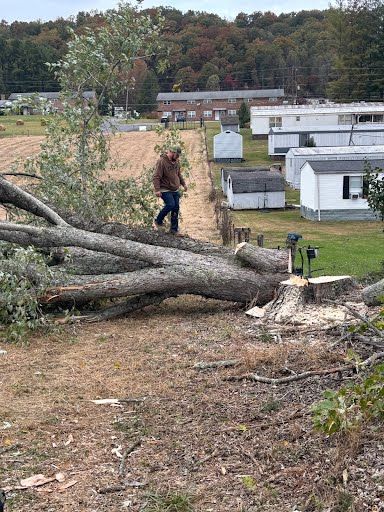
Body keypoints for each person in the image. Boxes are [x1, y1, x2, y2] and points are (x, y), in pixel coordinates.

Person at [153, 145, 187, 234]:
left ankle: (174, 230)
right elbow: (156, 176)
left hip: (175, 189)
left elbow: (178, 174)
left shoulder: (176, 162)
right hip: (165, 189)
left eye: (179, 156)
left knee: (176, 208)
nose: (177, 157)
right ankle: (158, 220)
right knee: (171, 204)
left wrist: (183, 184)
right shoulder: (162, 161)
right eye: (176, 155)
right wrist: (157, 190)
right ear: (171, 152)